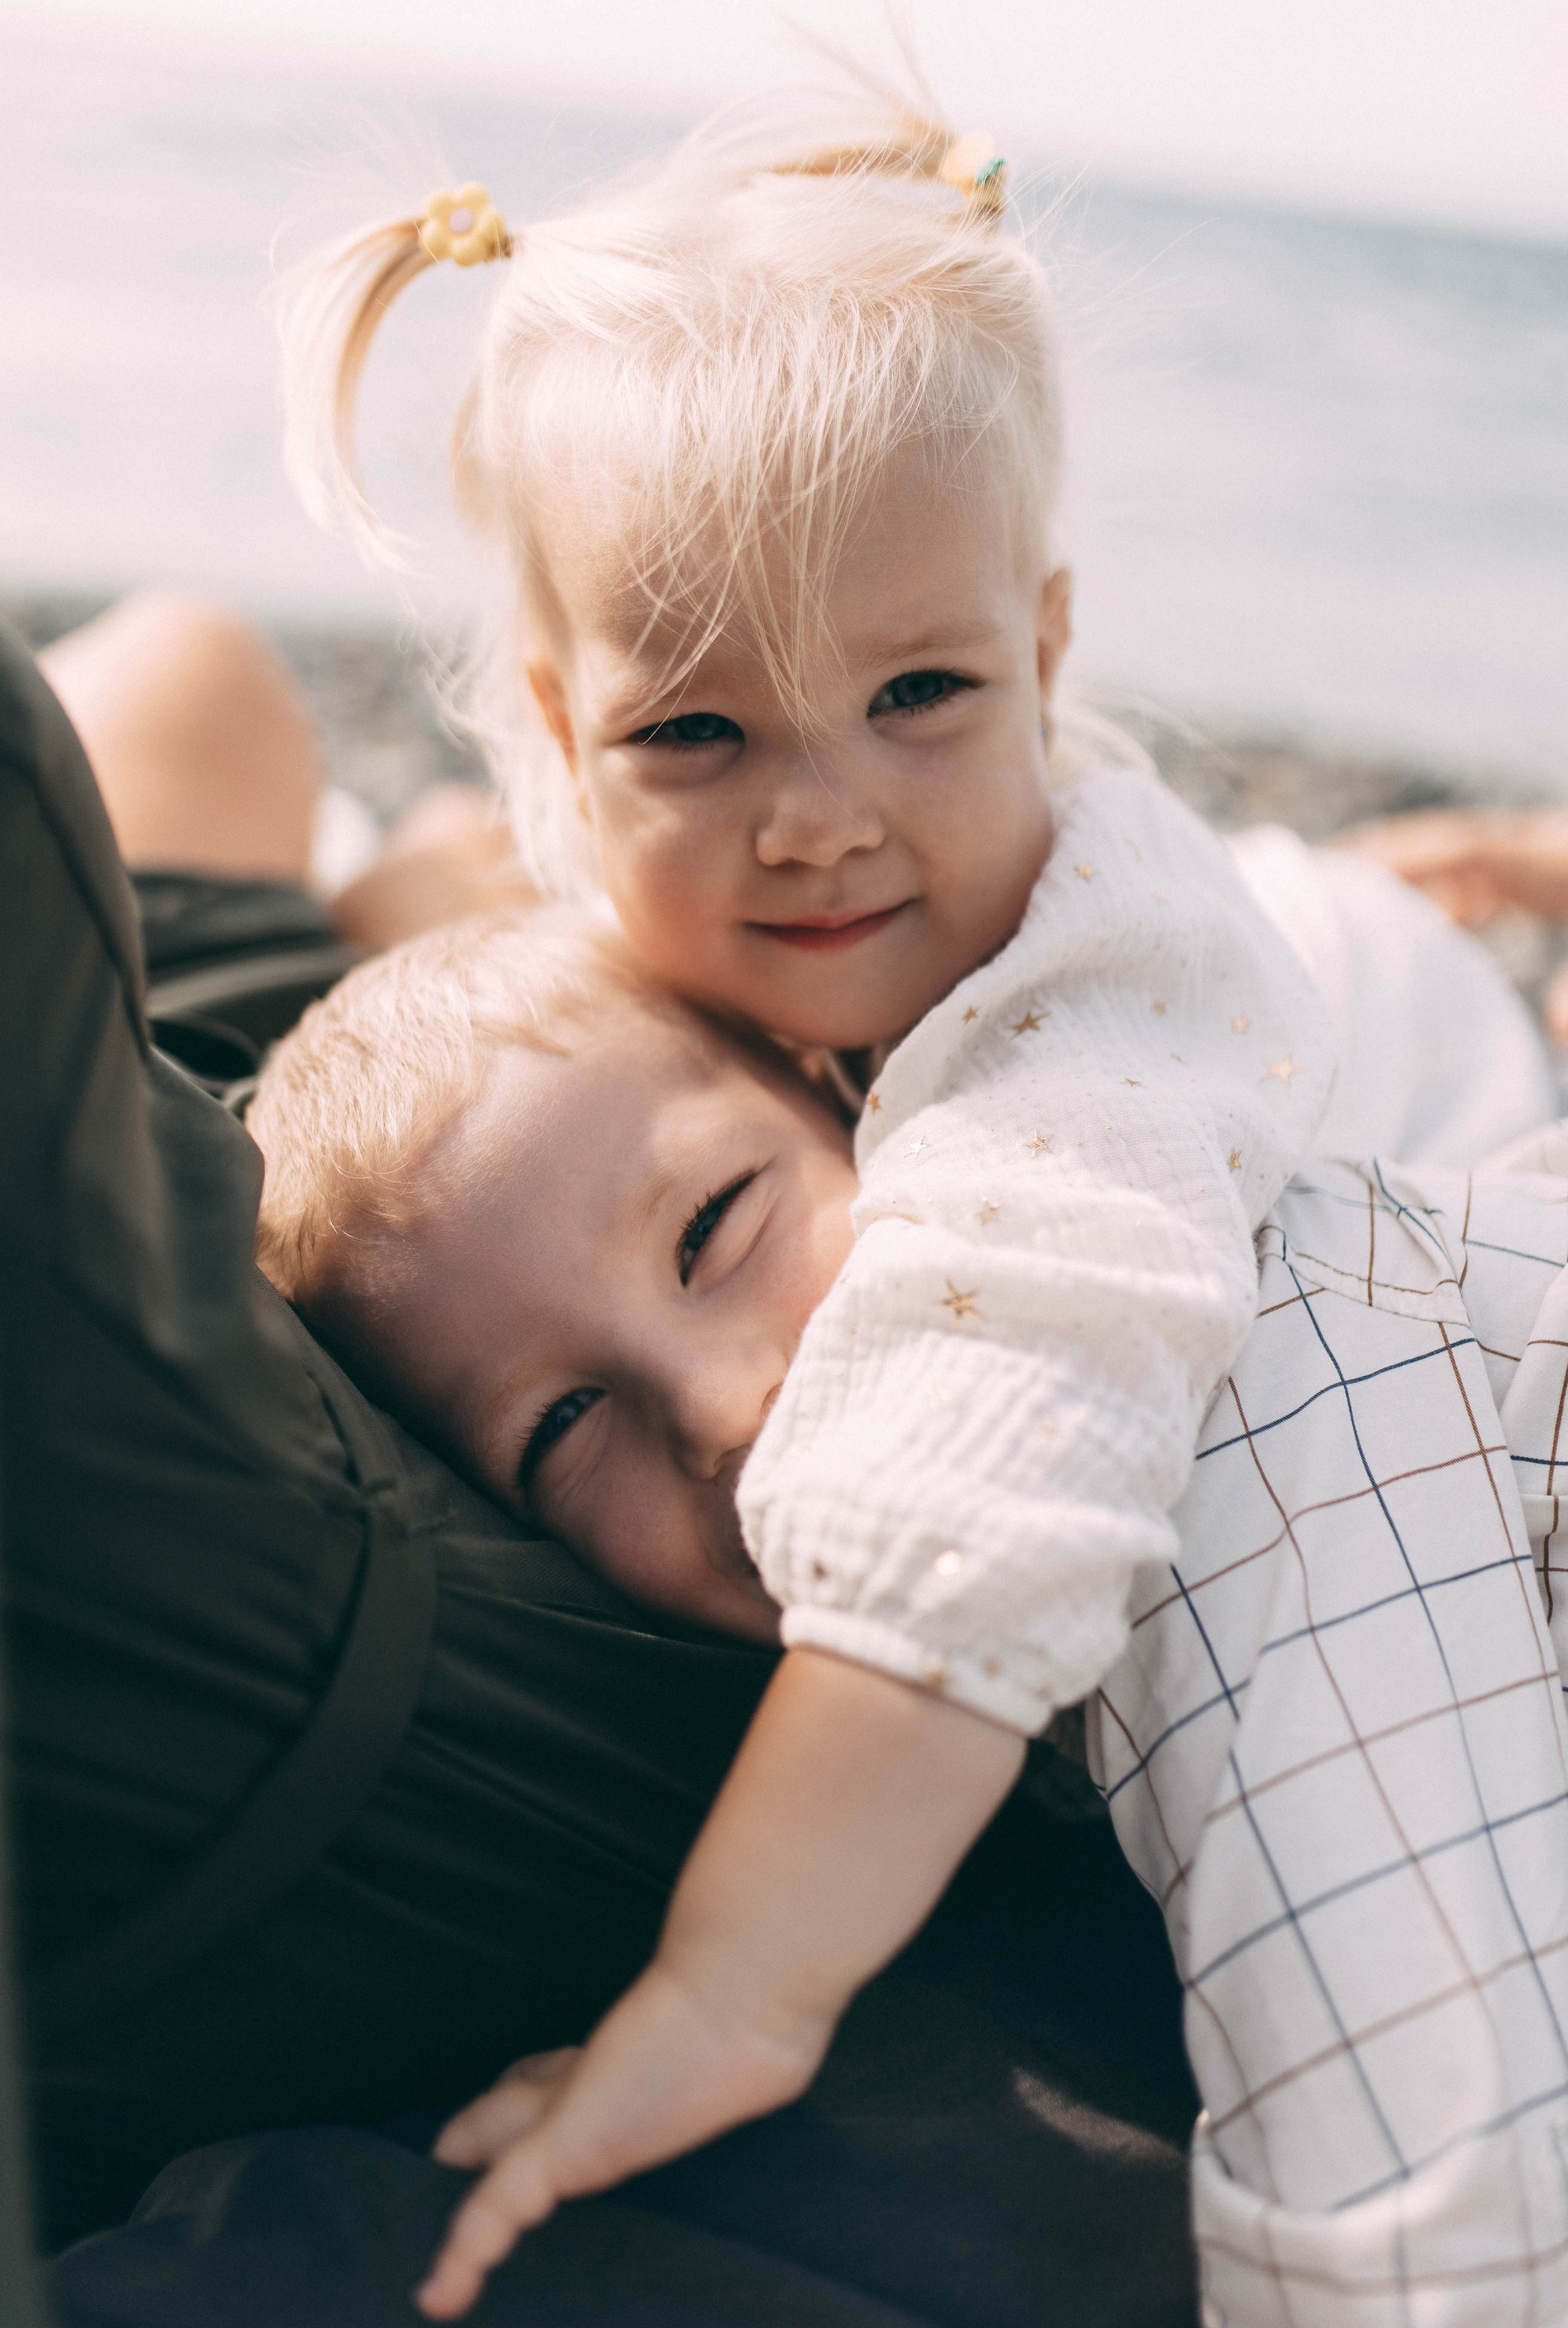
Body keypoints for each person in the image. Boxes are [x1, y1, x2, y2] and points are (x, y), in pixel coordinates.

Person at [274, 77, 1559, 2315]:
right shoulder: (688, 964)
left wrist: (731, 1995)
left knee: (1275, 1544)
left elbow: (992, 1448)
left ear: (1046, 661)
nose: (817, 821)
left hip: (1405, 1266)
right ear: (567, 747)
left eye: (919, 695)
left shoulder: (1085, 1047)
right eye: (704, 739)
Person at [247, 902, 1568, 2327]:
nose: (712, 1410)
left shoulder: (1208, 1388)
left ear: (868, 1101)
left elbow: (1423, 2119)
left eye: (713, 1229)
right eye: (562, 1425)